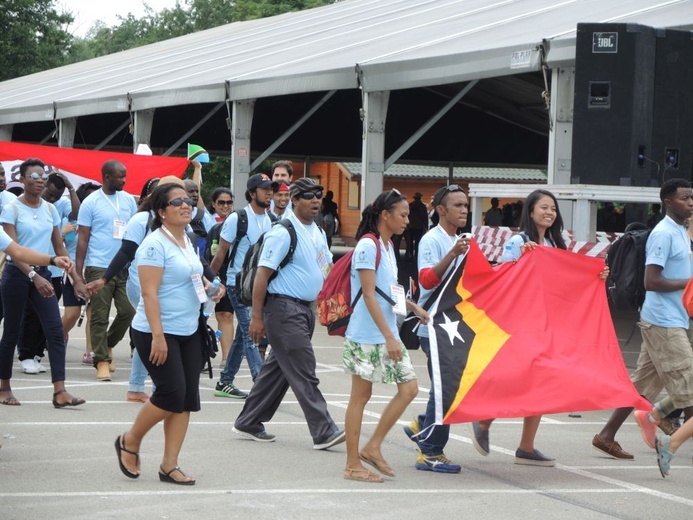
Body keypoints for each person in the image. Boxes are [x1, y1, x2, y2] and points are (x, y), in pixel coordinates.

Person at [474, 189, 608, 466]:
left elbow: (565, 279)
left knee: (541, 380)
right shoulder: (518, 241)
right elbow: (502, 277)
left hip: (548, 323)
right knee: (517, 377)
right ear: (531, 211)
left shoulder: (556, 244)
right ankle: (484, 419)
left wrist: (595, 275)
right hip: (522, 322)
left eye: (553, 209)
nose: (549, 213)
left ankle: (525, 446)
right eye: (544, 207)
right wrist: (522, 258)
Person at [114, 183, 224, 485]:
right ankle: (130, 440)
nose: (186, 205)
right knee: (171, 392)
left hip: (188, 329)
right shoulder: (153, 244)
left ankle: (169, 465)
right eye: (178, 202)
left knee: (186, 399)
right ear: (162, 212)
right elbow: (149, 294)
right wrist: (159, 337)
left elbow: (192, 274)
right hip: (156, 331)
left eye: (188, 200)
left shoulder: (186, 239)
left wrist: (211, 287)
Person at [234, 177, 345, 450]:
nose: (316, 201)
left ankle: (249, 419)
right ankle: (323, 430)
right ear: (294, 200)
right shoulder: (282, 232)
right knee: (304, 368)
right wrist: (256, 317)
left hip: (304, 310)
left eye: (319, 195)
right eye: (308, 196)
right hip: (283, 309)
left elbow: (327, 270)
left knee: (279, 370)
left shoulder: (317, 231)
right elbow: (262, 275)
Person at [593, 178, 693, 460]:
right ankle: (672, 444)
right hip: (664, 321)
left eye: (692, 198)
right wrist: (689, 283)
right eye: (685, 198)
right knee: (689, 386)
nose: (691, 202)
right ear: (668, 202)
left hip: (668, 318)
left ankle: (606, 435)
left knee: (642, 387)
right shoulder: (663, 234)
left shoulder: (680, 231)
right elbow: (652, 280)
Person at [342, 189, 427, 483]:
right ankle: (352, 464)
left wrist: (413, 307)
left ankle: (373, 445)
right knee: (360, 397)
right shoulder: (368, 246)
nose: (407, 219)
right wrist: (391, 337)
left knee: (410, 389)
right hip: (367, 334)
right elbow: (367, 295)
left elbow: (386, 291)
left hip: (385, 332)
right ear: (385, 215)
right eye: (402, 214)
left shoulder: (388, 246)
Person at [0, 158, 85, 407]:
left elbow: (59, 247)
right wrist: (32, 276)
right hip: (18, 275)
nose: (39, 182)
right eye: (34, 177)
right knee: (11, 332)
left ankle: (60, 391)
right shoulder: (12, 209)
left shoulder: (49, 209)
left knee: (55, 332)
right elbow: (14, 252)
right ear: (23, 180)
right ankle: (4, 386)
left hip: (45, 274)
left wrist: (76, 279)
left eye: (42, 178)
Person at [403, 184, 469, 474]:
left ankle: (423, 424)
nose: (464, 210)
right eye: (458, 205)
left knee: (448, 389)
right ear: (442, 210)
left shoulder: (465, 239)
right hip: (434, 325)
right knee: (446, 391)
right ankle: (429, 451)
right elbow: (427, 281)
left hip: (454, 326)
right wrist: (453, 254)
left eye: (466, 205)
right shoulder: (433, 240)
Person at [86, 177, 161, 403]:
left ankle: (138, 387)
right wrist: (104, 278)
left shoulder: (175, 224)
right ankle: (103, 361)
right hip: (137, 282)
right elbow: (126, 252)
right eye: (177, 198)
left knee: (143, 329)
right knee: (152, 332)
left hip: (161, 287)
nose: (184, 202)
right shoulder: (141, 220)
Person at [210, 174, 274, 398]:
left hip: (257, 286)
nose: (269, 193)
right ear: (252, 193)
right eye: (264, 189)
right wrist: (209, 282)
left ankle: (225, 382)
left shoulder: (270, 220)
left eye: (271, 189)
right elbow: (221, 255)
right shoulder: (238, 218)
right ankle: (261, 385)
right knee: (251, 333)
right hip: (237, 283)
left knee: (242, 336)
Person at [76, 160, 138, 381]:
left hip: (124, 266)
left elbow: (134, 233)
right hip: (98, 265)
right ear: (106, 177)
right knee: (99, 316)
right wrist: (78, 271)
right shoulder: (91, 202)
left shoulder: (129, 200)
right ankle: (101, 360)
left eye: (125, 176)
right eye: (120, 176)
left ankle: (108, 343)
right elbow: (82, 238)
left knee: (128, 311)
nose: (124, 180)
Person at [16, 171, 81, 374]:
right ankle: (25, 354)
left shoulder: (54, 207)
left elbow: (76, 214)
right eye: (50, 193)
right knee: (29, 314)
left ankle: (36, 354)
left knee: (47, 315)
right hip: (26, 267)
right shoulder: (20, 206)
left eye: (56, 196)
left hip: (52, 270)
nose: (51, 198)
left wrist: (71, 188)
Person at [205, 186, 236, 367]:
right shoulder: (214, 230)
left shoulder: (241, 225)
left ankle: (229, 358)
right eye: (221, 202)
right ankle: (220, 357)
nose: (225, 206)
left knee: (231, 317)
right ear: (214, 204)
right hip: (218, 277)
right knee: (221, 315)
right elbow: (209, 257)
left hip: (238, 278)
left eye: (229, 202)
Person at [73, 182, 101, 365]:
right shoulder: (75, 221)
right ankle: (90, 349)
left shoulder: (101, 218)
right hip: (80, 268)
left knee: (96, 311)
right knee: (84, 312)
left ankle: (96, 348)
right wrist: (78, 273)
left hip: (102, 265)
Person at [406, 192, 428, 260]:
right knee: (418, 241)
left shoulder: (410, 205)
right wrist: (426, 225)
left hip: (411, 226)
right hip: (419, 226)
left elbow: (408, 215)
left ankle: (410, 255)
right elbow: (424, 216)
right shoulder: (422, 206)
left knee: (410, 241)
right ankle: (417, 256)